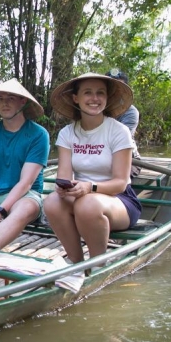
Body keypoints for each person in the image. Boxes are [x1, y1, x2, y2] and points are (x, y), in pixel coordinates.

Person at [44, 72, 143, 264]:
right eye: (88, 93)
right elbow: (64, 175)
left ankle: (97, 264)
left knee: (87, 204)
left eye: (100, 93)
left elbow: (121, 183)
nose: (94, 98)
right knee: (52, 202)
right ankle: (76, 261)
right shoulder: (67, 133)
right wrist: (63, 188)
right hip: (81, 196)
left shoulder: (118, 131)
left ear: (107, 98)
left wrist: (90, 187)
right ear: (76, 98)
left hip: (119, 201)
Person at [0, 79, 50, 251]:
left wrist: (0, 211)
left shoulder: (39, 135)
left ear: (22, 102)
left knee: (25, 208)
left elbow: (26, 183)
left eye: (11, 98)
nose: (4, 103)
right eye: (0, 99)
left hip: (23, 195)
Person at [106, 68, 142, 177]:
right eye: (112, 88)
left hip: (127, 157)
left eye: (119, 88)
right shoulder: (94, 108)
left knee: (112, 175)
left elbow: (120, 141)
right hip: (96, 155)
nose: (115, 92)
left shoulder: (131, 112)